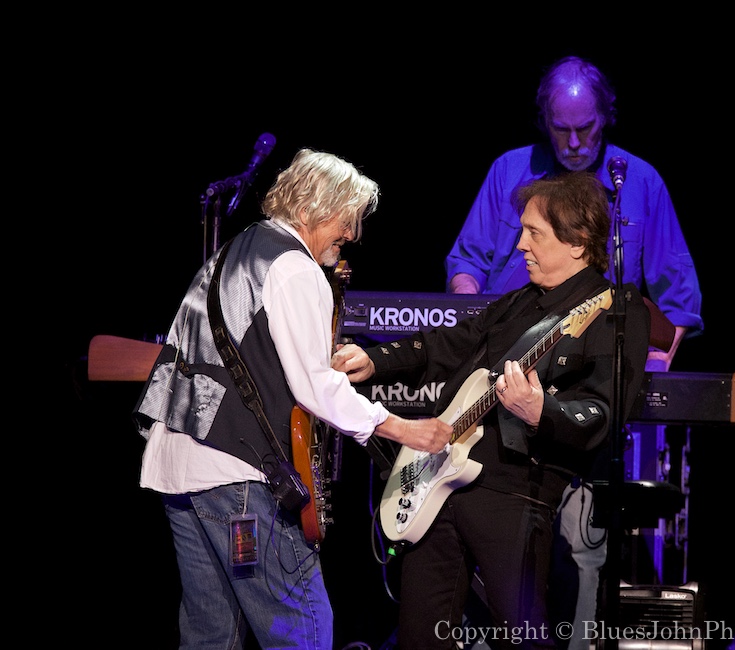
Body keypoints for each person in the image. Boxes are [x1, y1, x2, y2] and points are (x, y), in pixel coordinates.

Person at [133, 148, 453, 650]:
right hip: (235, 478)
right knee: (300, 628)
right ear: (311, 208)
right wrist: (402, 427)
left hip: (175, 468)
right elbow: (315, 386)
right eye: (347, 219)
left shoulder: (234, 251)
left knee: (210, 635)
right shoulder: (296, 268)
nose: (353, 235)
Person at [444, 56, 705, 649]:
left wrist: (645, 371)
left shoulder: (639, 181)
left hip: (586, 391)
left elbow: (678, 305)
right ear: (545, 122)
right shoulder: (510, 171)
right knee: (480, 522)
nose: (576, 141)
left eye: (586, 126)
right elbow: (466, 264)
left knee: (584, 543)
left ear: (605, 117)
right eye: (562, 128)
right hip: (503, 384)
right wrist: (467, 307)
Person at [331, 171, 651, 650]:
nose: (520, 244)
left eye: (534, 233)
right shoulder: (518, 303)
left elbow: (604, 411)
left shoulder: (612, 309)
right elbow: (444, 344)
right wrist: (375, 358)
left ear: (579, 243)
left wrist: (543, 410)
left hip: (515, 495)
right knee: (419, 637)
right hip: (441, 490)